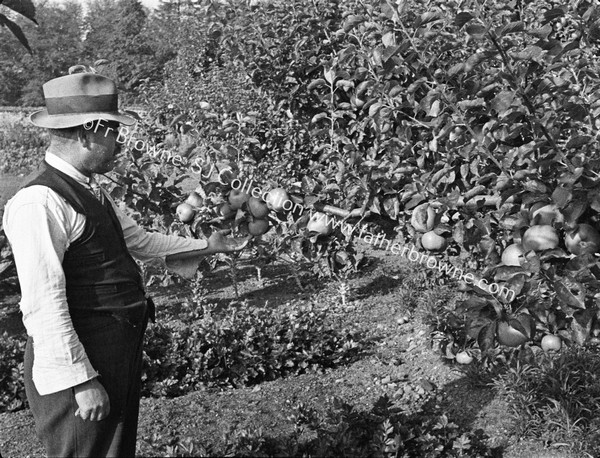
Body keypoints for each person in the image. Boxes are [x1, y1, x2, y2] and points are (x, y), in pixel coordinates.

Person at [2, 71, 248, 457]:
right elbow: (42, 303)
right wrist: (80, 381)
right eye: (112, 132)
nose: (121, 143)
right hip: (82, 362)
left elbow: (139, 241)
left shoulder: (88, 187)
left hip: (111, 352)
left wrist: (209, 246)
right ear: (85, 135)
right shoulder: (40, 203)